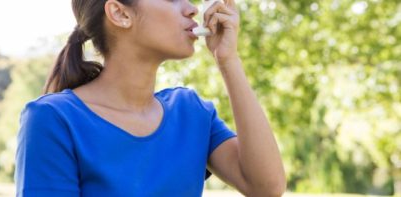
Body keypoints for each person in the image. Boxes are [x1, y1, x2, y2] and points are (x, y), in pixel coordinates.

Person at [15, 0, 286, 196]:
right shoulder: (53, 119)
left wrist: (228, 60)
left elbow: (266, 187)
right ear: (120, 13)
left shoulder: (191, 112)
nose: (192, 9)